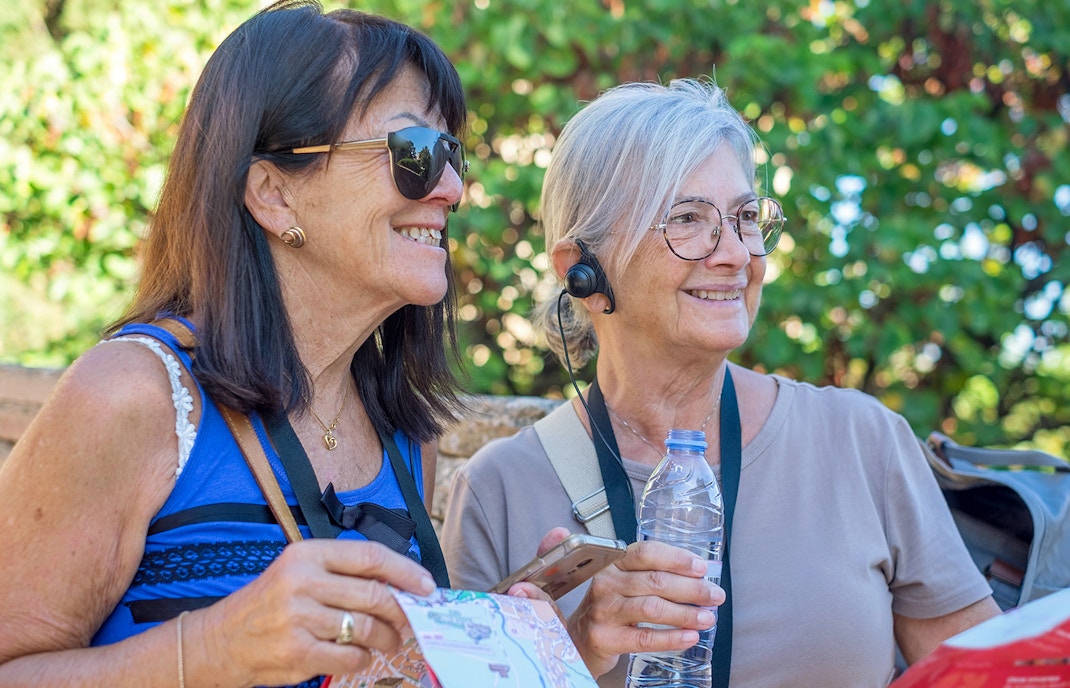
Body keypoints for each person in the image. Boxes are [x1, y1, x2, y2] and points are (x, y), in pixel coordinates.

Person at [441, 78, 1002, 687]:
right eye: (688, 220)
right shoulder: (497, 491)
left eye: (743, 218)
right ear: (582, 270)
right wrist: (573, 650)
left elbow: (995, 676)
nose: (736, 253)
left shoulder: (863, 442)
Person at [0, 2, 473, 686]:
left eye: (451, 154)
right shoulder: (134, 397)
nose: (452, 190)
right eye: (415, 154)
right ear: (274, 194)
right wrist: (208, 652)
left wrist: (553, 638)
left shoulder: (403, 436)